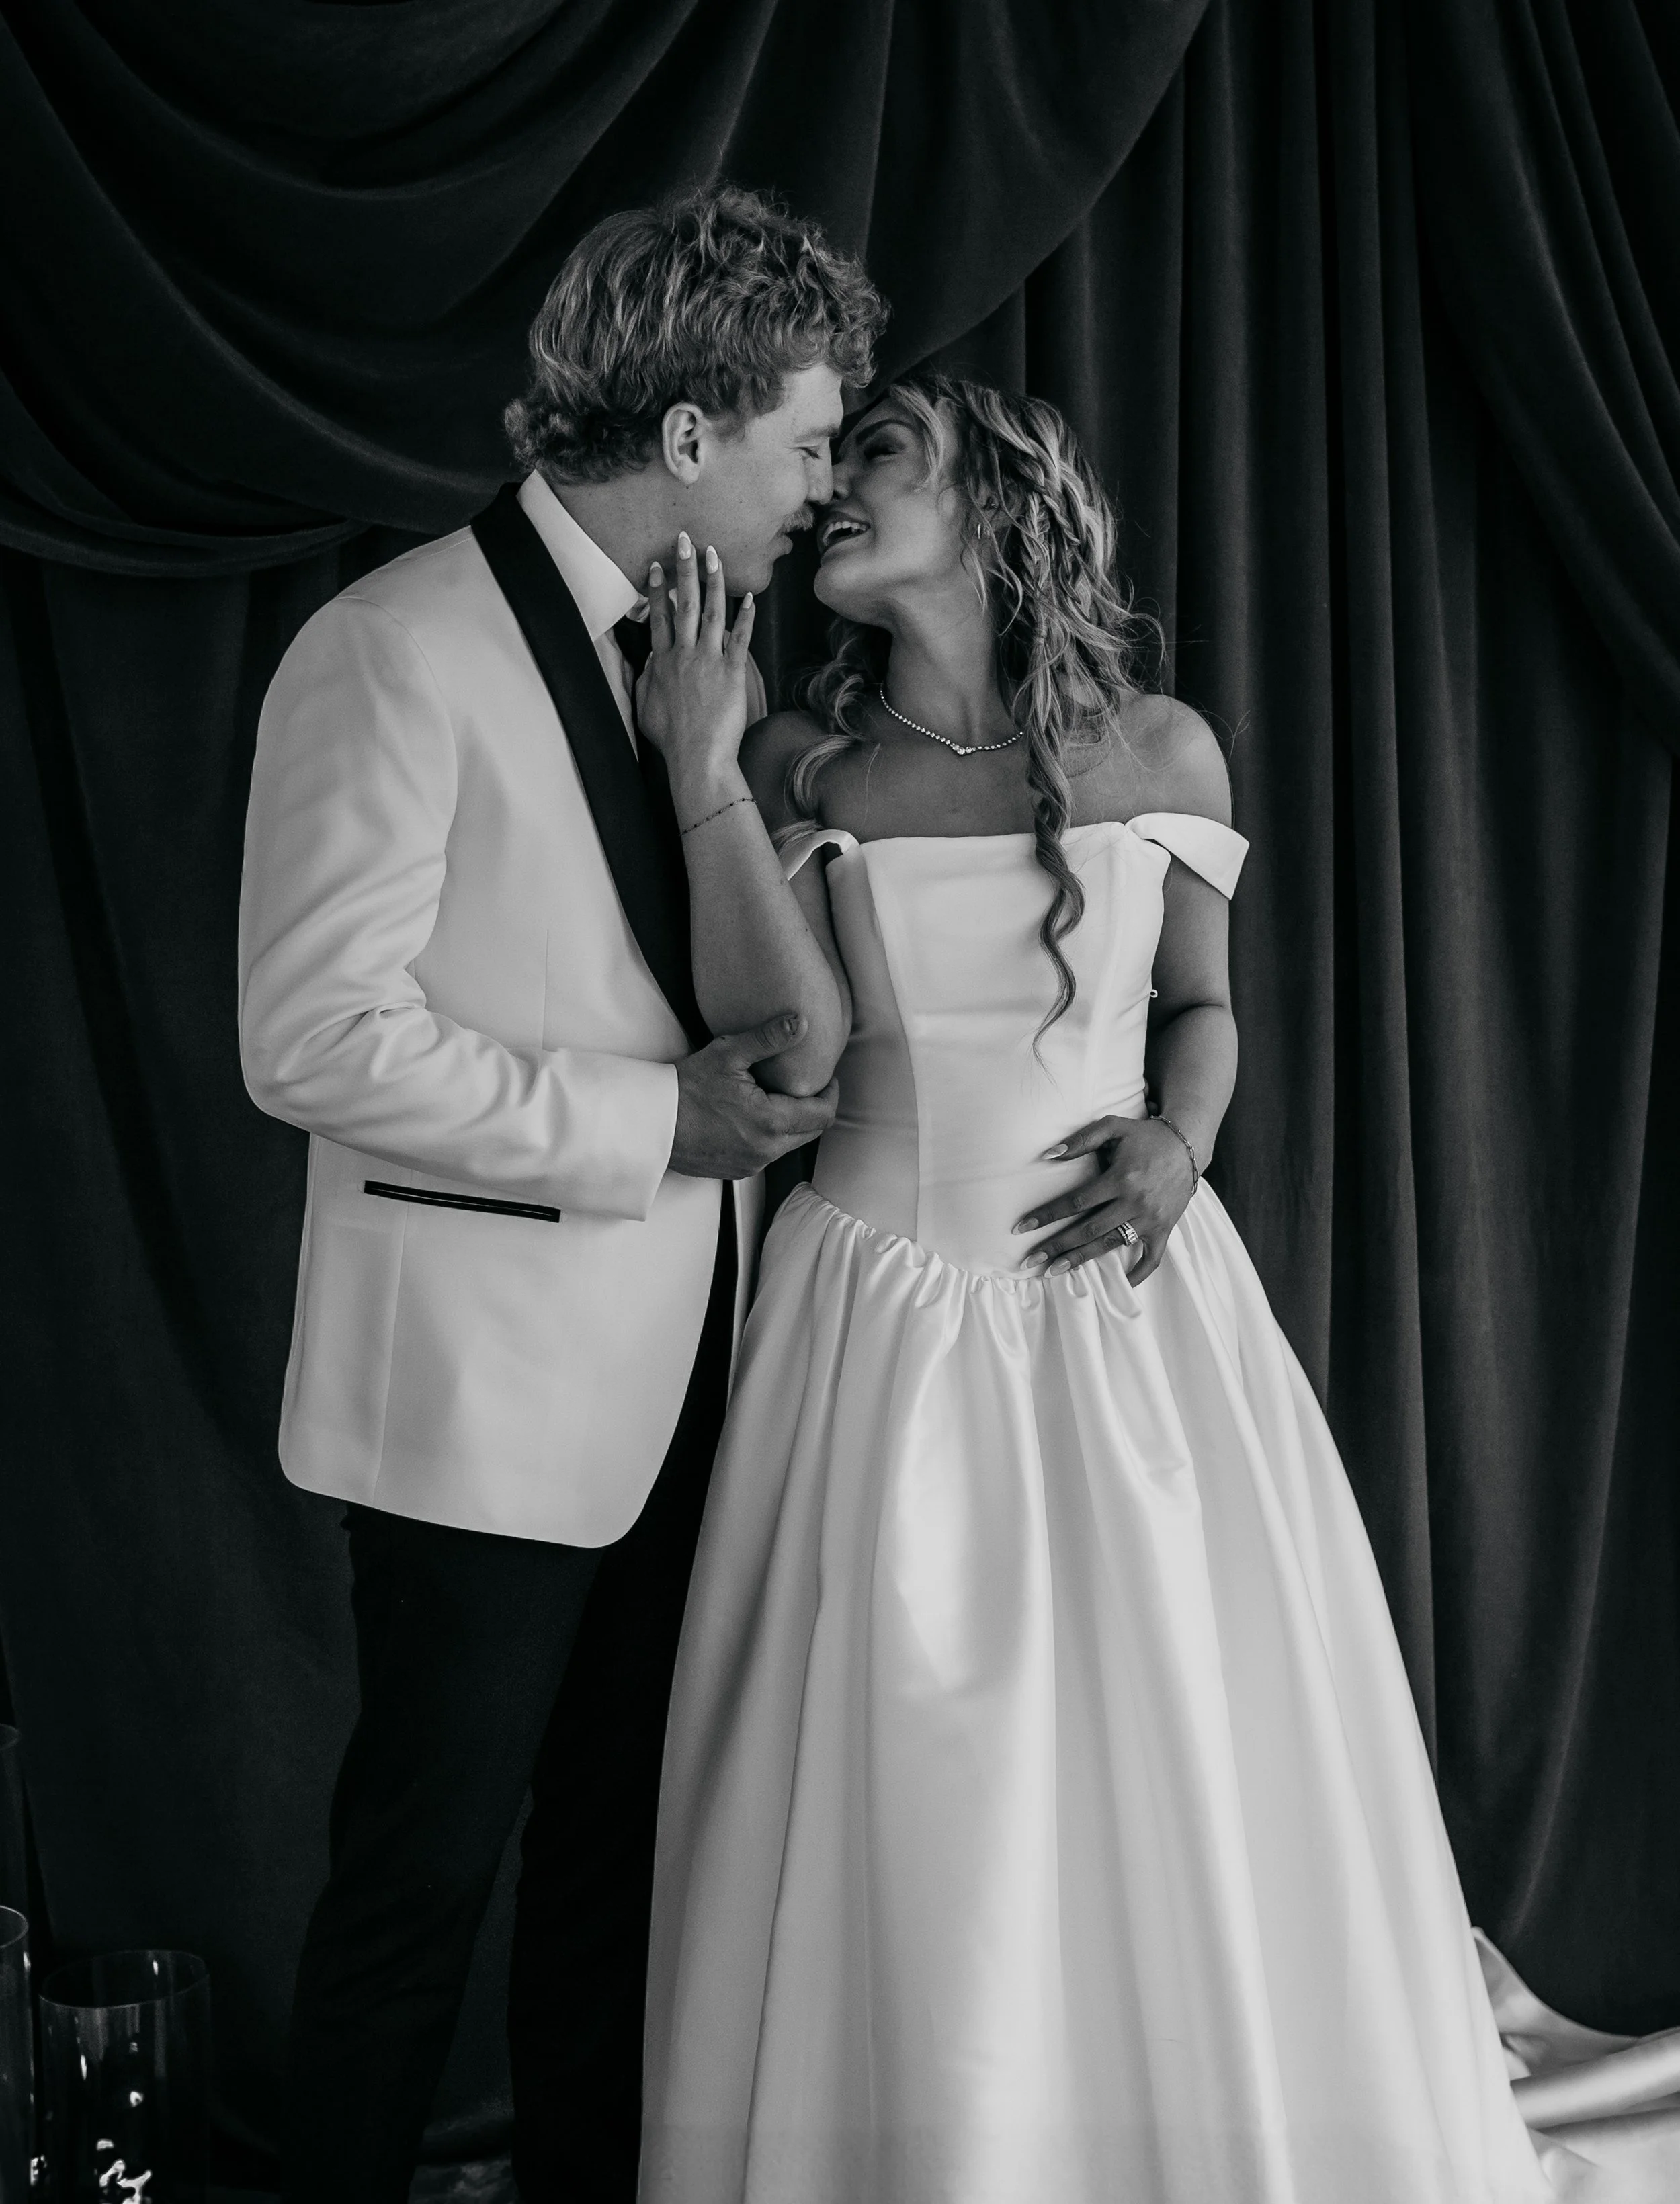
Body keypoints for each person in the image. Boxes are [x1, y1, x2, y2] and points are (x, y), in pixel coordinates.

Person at [631, 373, 1550, 2202]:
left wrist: (1177, 1145)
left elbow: (1201, 1010)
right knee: (907, 1776)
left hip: (1126, 1312)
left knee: (1184, 1747)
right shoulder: (807, 769)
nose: (829, 498)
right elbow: (790, 1051)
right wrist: (698, 772)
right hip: (879, 1317)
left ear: (996, 498)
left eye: (873, 460)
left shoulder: (1161, 751)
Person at [236, 185, 884, 2204]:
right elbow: (311, 1039)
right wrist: (645, 1133)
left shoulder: (715, 660)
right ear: (686, 442)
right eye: (800, 441)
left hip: (697, 1373)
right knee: (417, 1886)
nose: (815, 490)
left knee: (623, 1872)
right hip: (479, 1401)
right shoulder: (393, 647)